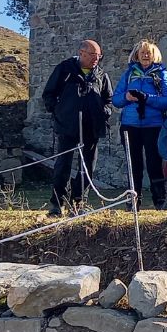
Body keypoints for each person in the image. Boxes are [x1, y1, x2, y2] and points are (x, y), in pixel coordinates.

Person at [42, 39, 113, 217]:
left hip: (92, 127)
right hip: (68, 126)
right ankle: (57, 204)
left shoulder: (101, 74)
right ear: (81, 53)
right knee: (63, 165)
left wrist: (104, 112)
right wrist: (59, 111)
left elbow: (109, 99)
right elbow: (49, 94)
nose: (96, 59)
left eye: (98, 56)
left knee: (87, 167)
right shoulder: (64, 69)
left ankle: (79, 202)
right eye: (92, 55)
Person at [112, 40, 167, 209]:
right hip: (130, 125)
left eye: (149, 53)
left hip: (153, 125)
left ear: (155, 55)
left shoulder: (162, 74)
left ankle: (160, 200)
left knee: (154, 164)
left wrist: (147, 98)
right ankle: (133, 201)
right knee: (133, 164)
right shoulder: (129, 74)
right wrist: (127, 97)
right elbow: (116, 99)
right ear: (137, 56)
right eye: (142, 53)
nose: (146, 55)